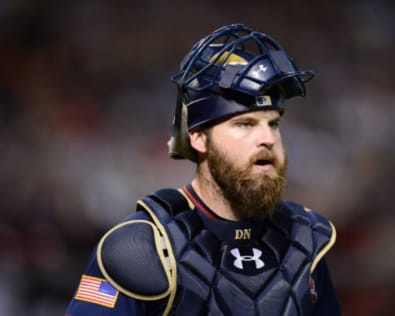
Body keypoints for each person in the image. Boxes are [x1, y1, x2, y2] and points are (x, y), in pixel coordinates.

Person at [65, 24, 341, 316]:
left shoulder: (304, 241)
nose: (268, 139)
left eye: (272, 123)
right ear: (198, 138)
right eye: (244, 124)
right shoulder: (140, 248)